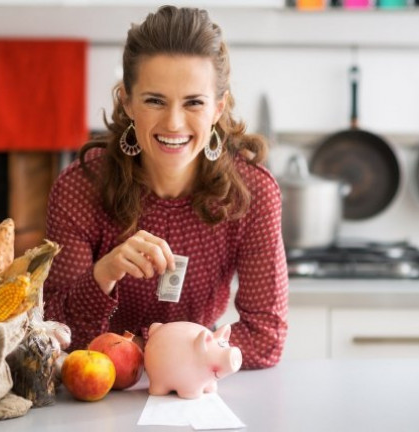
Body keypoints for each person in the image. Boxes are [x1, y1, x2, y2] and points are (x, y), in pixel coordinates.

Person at [43, 5, 288, 369]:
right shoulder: (80, 187)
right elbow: (53, 331)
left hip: (199, 387)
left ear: (218, 108)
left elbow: (266, 337)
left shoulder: (251, 192)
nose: (174, 123)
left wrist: (160, 354)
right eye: (154, 100)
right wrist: (103, 274)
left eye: (194, 103)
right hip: (101, 387)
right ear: (127, 102)